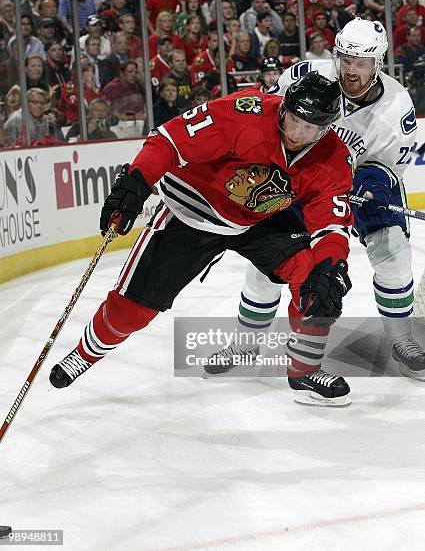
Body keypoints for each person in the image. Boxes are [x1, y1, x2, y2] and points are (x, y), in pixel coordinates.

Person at [49, 71, 353, 409]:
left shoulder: (334, 157)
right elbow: (168, 141)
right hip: (192, 210)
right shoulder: (243, 113)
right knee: (134, 309)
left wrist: (332, 264)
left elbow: (331, 224)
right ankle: (84, 354)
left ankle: (304, 369)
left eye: (309, 128)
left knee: (316, 280)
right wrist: (137, 181)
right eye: (292, 119)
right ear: (284, 106)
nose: (296, 133)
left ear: (326, 127)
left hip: (260, 217)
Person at [216, 17, 423, 393]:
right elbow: (269, 119)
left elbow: (390, 166)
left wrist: (370, 182)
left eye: (360, 63)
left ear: (378, 63)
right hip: (295, 184)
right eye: (344, 59)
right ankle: (245, 344)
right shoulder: (306, 75)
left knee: (393, 253)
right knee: (267, 267)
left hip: (360, 185)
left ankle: (401, 340)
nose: (350, 69)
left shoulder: (397, 106)